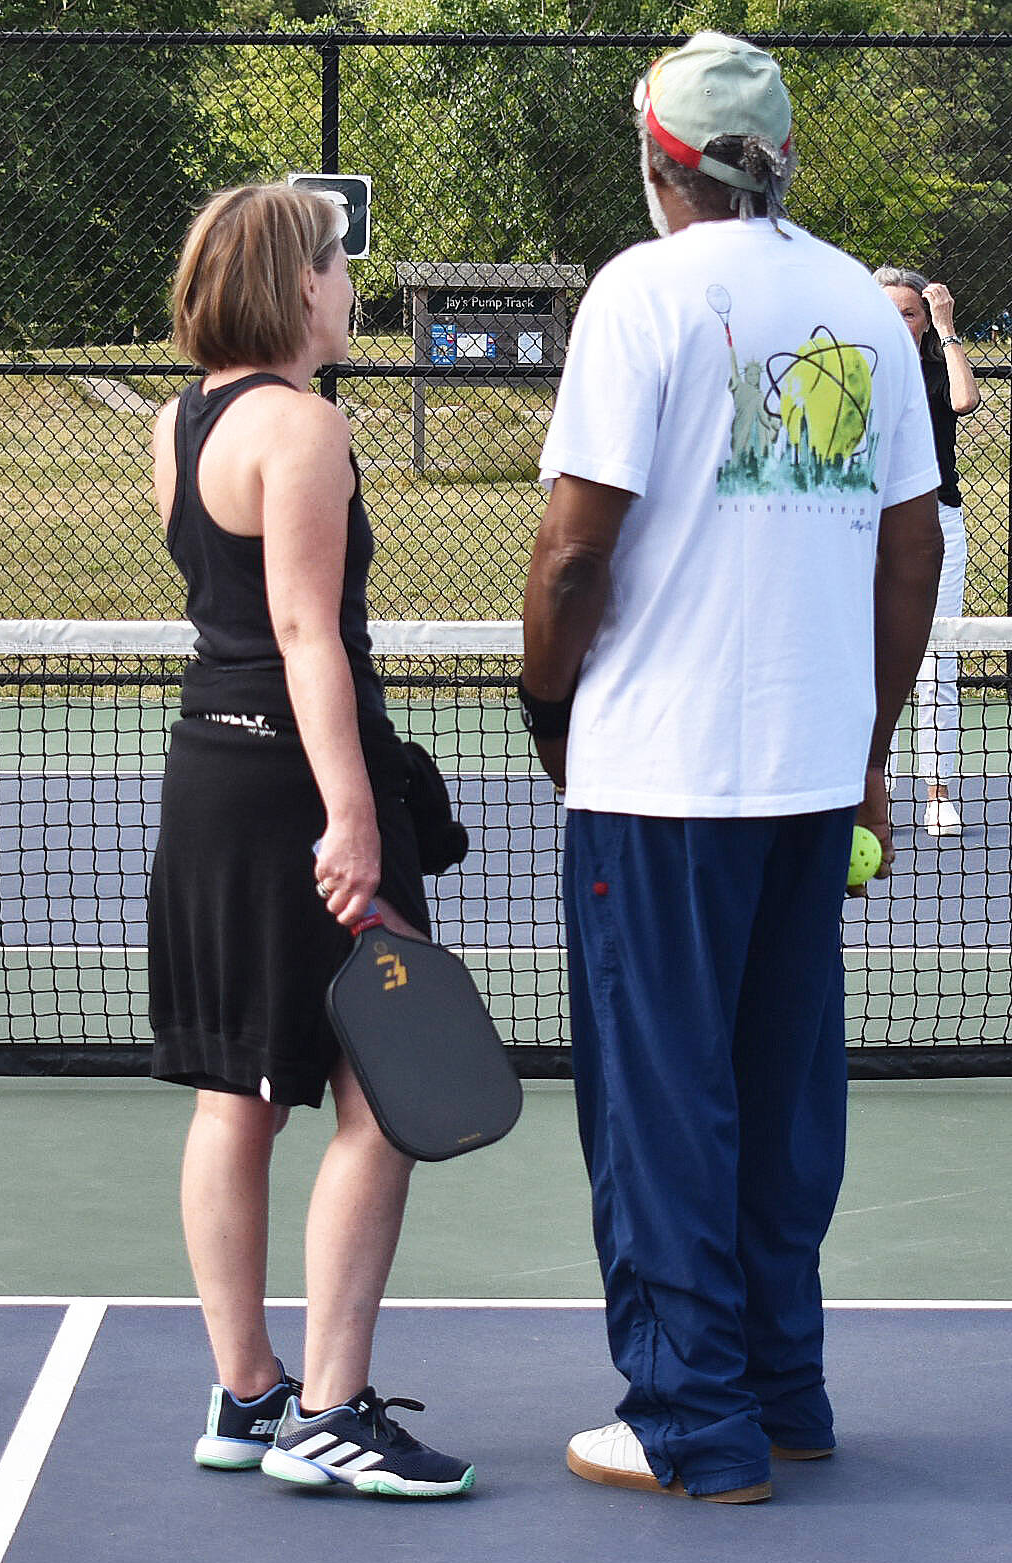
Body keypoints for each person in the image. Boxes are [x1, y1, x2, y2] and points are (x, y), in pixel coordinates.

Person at [520, 33, 943, 1502]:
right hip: (810, 781)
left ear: (655, 161)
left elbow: (575, 551)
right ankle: (784, 1389)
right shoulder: (860, 302)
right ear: (780, 161)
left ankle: (693, 1420)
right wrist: (871, 750)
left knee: (659, 1101)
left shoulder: (638, 292)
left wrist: (545, 701)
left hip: (659, 781)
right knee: (778, 1092)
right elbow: (916, 550)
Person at [145, 184, 472, 1499]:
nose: (353, 288)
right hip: (300, 790)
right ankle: (333, 1408)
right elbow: (304, 632)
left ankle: (249, 1392)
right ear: (294, 288)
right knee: (388, 1090)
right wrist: (350, 810)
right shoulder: (306, 426)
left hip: (210, 779)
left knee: (241, 1092)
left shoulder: (182, 425)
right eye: (341, 269)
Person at [873, 265, 980, 836]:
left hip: (938, 522)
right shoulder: (855, 370)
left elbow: (966, 400)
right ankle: (875, 778)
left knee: (938, 654)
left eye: (909, 312)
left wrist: (945, 325)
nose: (899, 322)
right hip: (867, 522)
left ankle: (938, 791)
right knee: (868, 653)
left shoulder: (938, 369)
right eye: (887, 311)